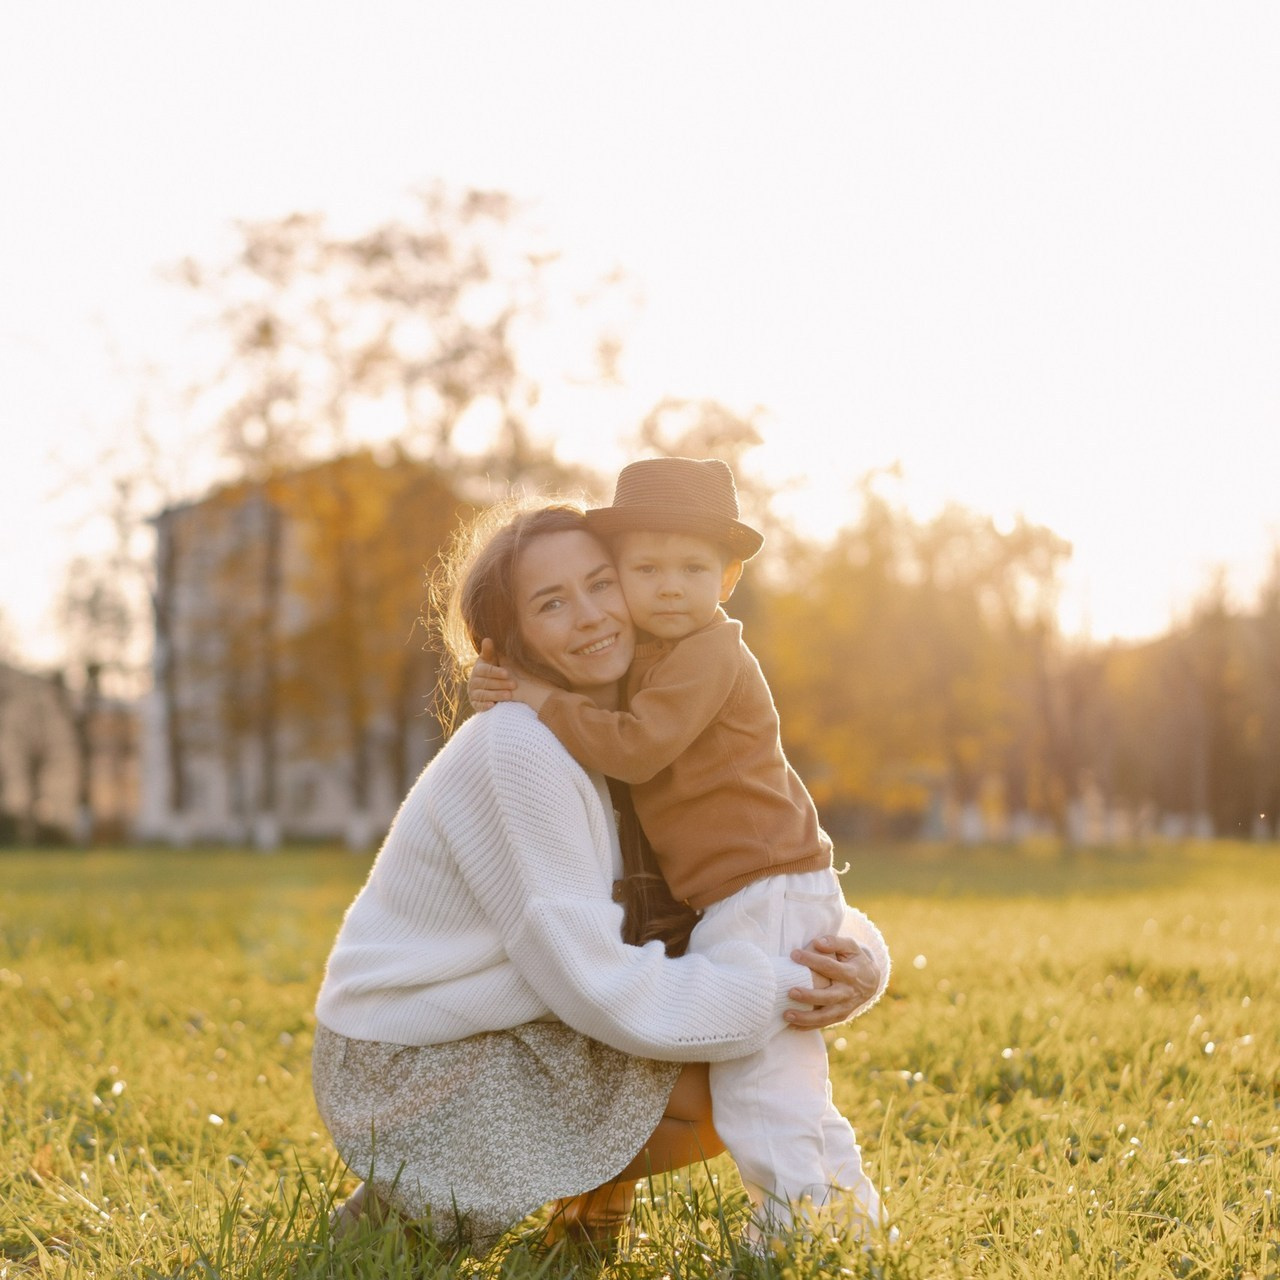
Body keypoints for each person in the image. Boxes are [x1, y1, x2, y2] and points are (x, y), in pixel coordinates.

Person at [310, 499, 888, 1256]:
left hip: (509, 1017)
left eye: (602, 584)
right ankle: (409, 1207)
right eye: (552, 603)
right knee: (722, 1079)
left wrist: (857, 958)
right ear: (509, 641)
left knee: (721, 1058)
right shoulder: (519, 748)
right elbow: (591, 979)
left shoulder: (635, 732)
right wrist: (784, 987)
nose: (589, 617)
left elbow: (748, 872)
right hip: (405, 1058)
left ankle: (576, 1230)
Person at [469, 459, 888, 1241]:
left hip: (760, 889)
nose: (667, 587)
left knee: (761, 1082)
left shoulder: (708, 652)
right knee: (788, 1079)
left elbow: (637, 748)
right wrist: (513, 686)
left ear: (728, 579)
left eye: (692, 568)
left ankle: (799, 1233)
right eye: (645, 568)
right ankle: (846, 1223)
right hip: (756, 889)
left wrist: (542, 700)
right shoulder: (656, 659)